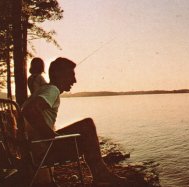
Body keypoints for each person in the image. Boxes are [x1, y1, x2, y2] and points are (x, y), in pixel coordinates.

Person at [22, 57, 128, 186]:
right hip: (45, 151)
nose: (74, 80)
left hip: (33, 149)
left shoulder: (41, 90)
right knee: (87, 125)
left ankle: (100, 172)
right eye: (71, 75)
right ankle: (100, 173)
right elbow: (29, 110)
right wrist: (50, 135)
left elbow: (26, 109)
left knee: (85, 130)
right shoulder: (52, 90)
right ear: (57, 74)